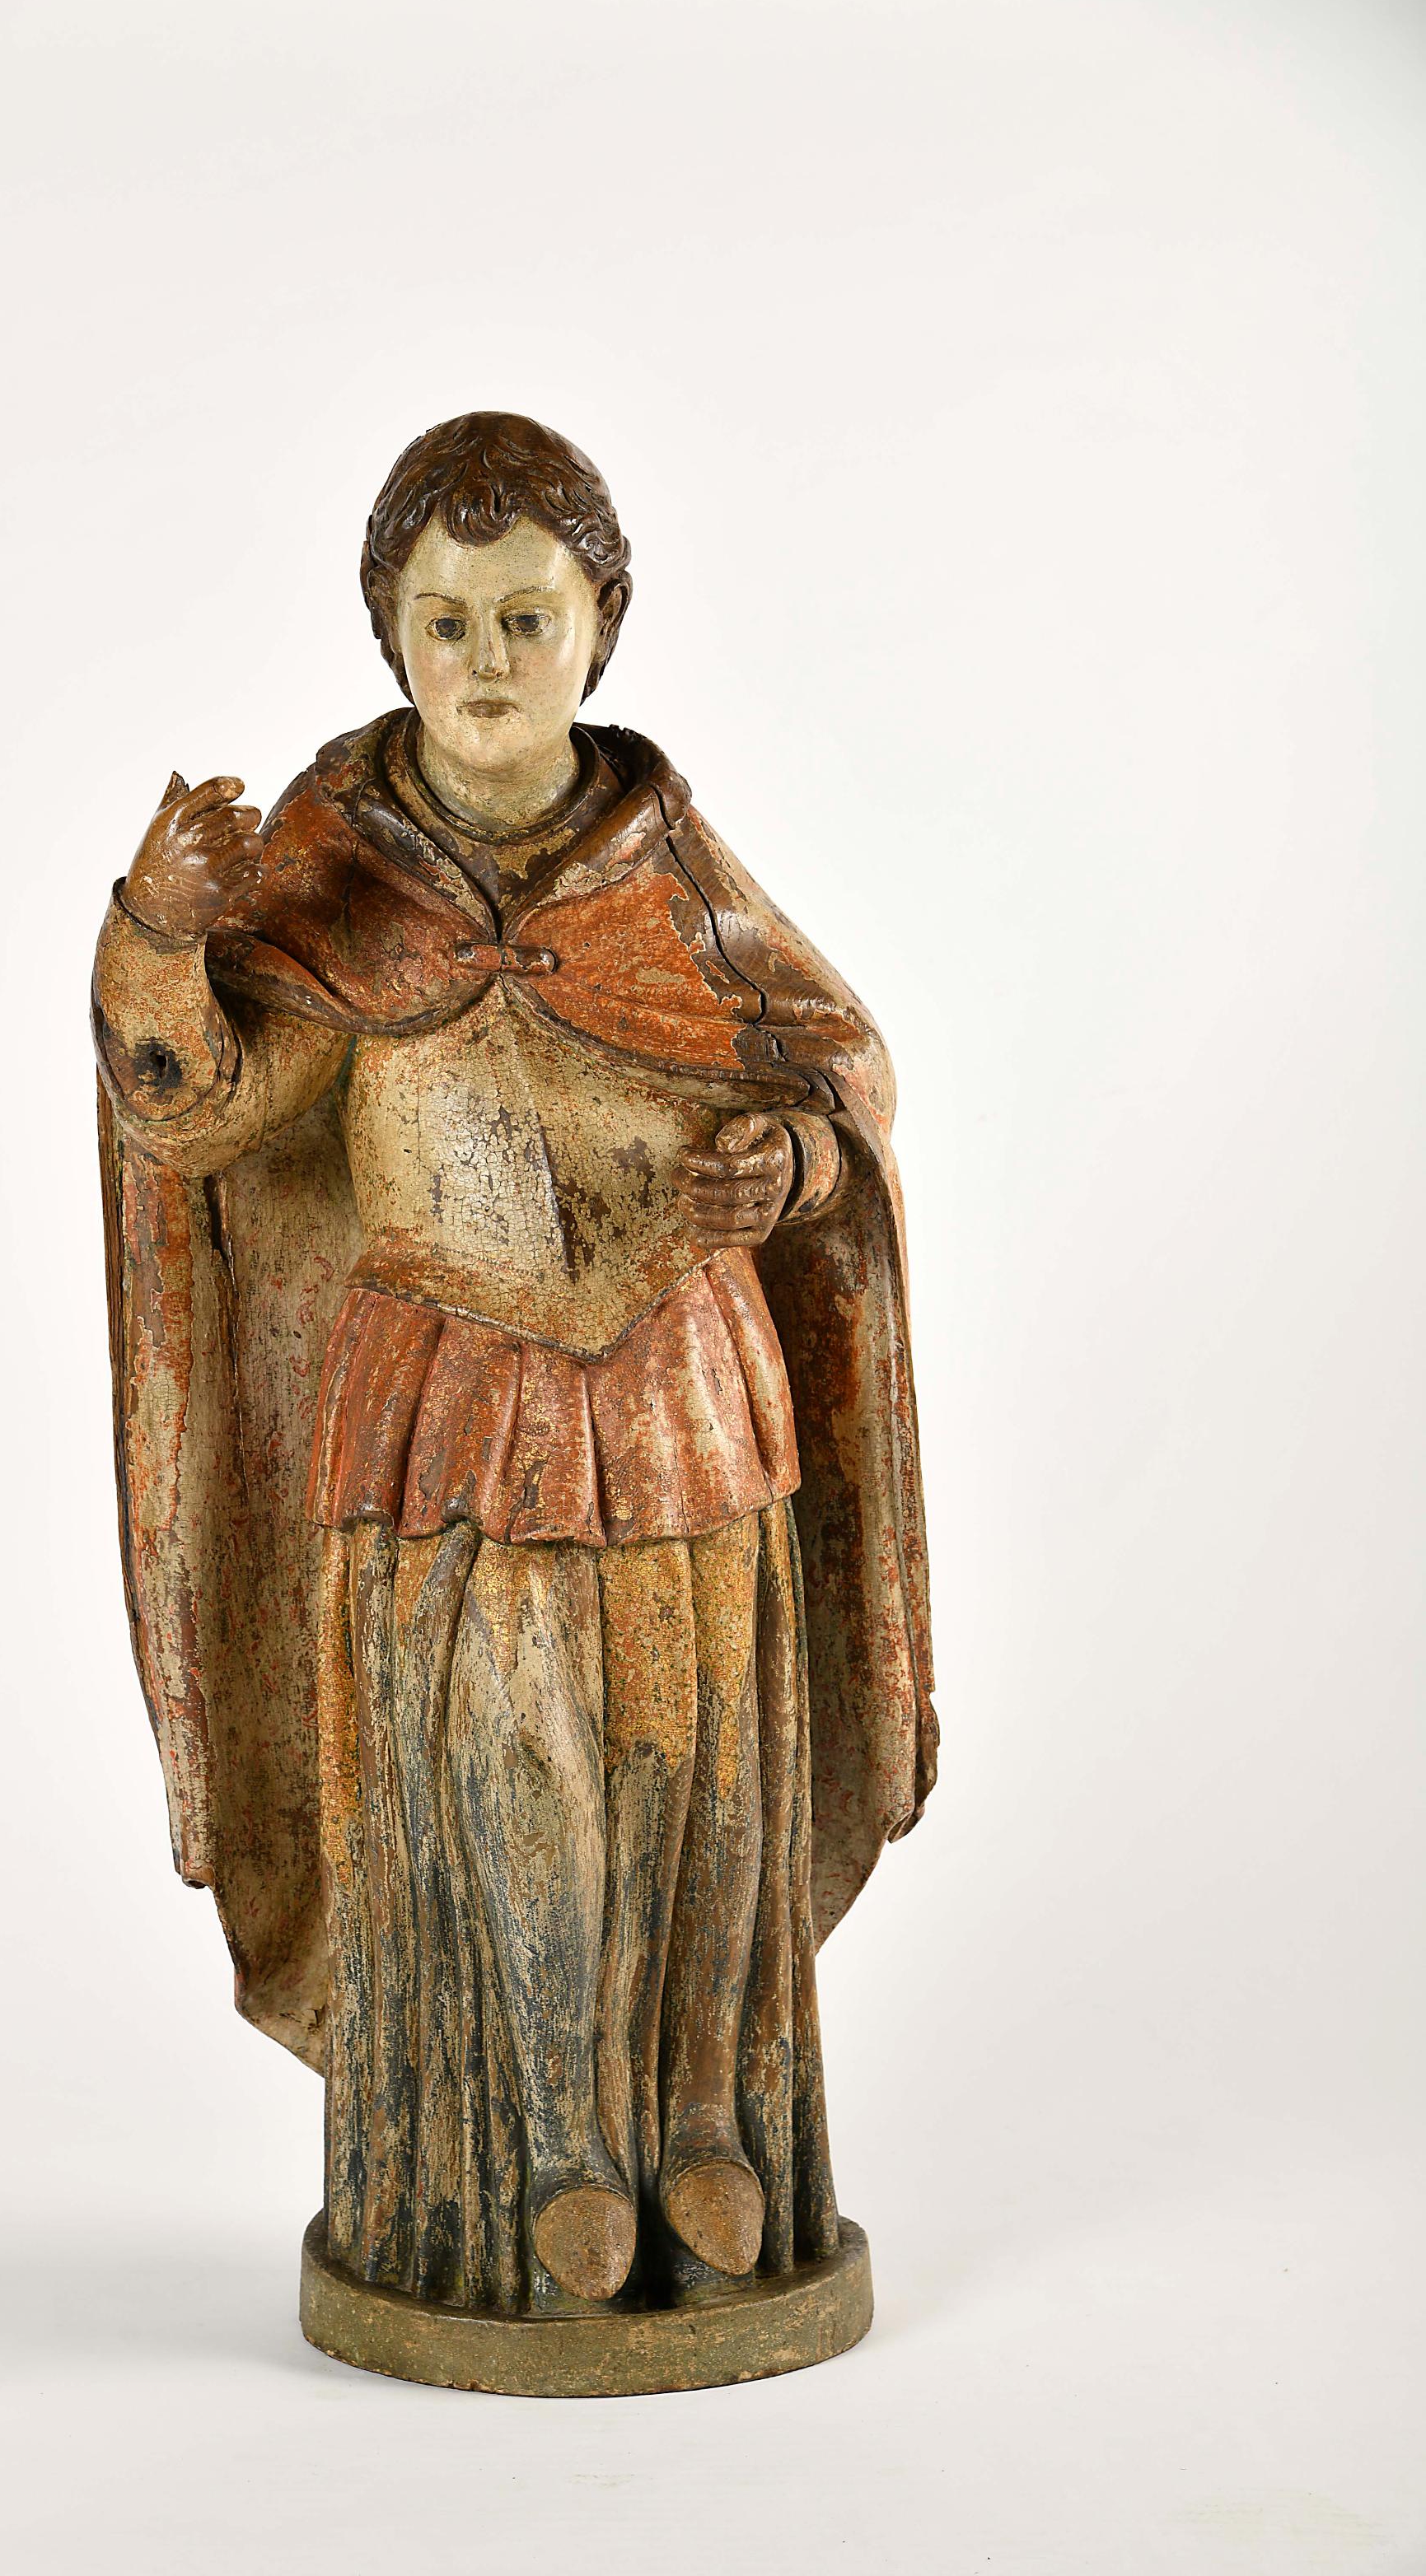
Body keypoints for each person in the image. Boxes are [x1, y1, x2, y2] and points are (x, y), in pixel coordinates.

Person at [92, 411, 936, 2317]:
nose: (485, 660)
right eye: (446, 619)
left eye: (525, 618)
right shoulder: (341, 883)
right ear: (389, 632)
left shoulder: (666, 869)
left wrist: (790, 1162)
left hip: (677, 1371)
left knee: (692, 1754)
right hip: (446, 1393)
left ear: (598, 631)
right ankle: (550, 2131)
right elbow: (202, 1108)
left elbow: (835, 1069)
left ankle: (702, 2110)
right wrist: (157, 937)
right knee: (509, 1755)